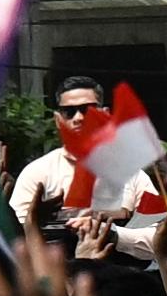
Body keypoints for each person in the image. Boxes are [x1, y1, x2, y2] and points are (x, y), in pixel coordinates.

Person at [11, 78, 113, 233]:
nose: (78, 118)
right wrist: (39, 219)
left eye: (87, 110)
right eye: (69, 112)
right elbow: (15, 233)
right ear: (58, 120)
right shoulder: (37, 173)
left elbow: (157, 226)